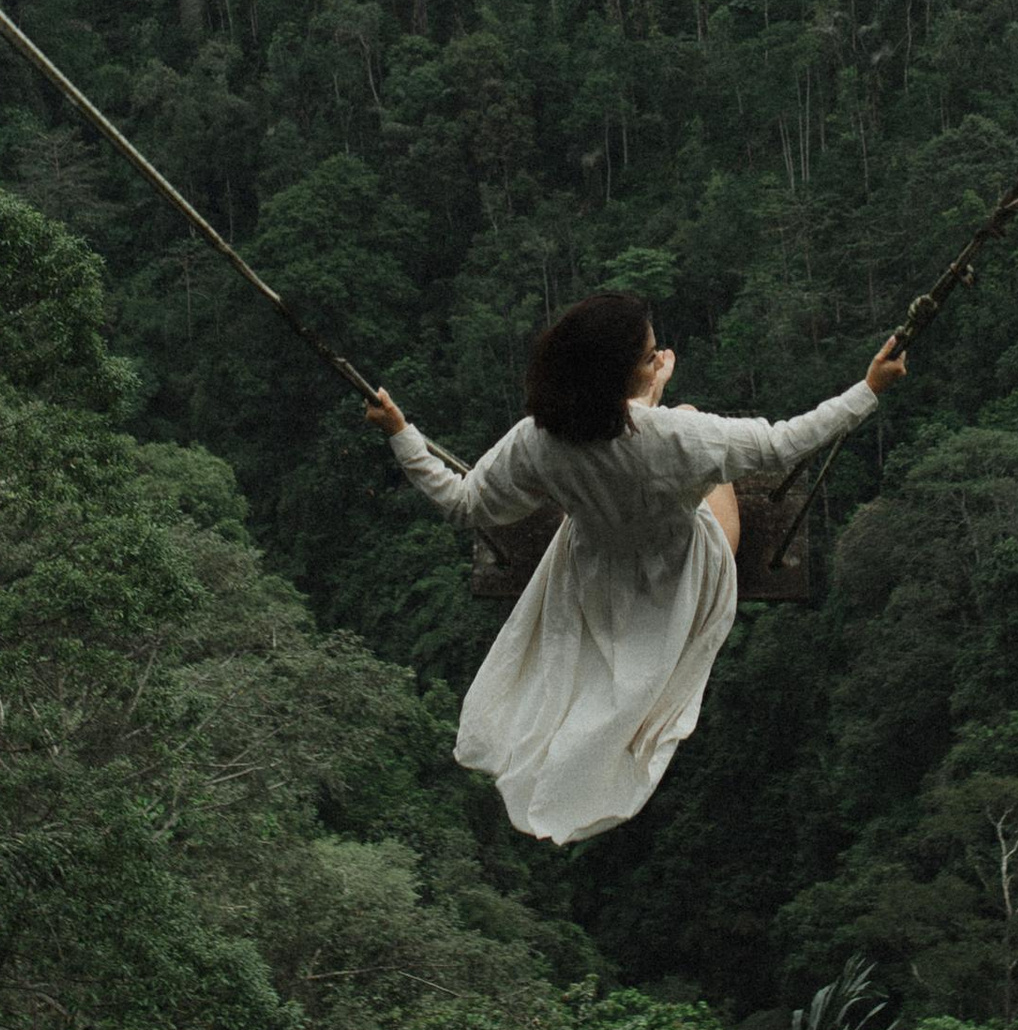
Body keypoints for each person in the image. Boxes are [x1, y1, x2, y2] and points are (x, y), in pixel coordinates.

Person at [364, 294, 905, 846]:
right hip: (683, 576)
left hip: (595, 572)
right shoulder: (677, 436)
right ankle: (651, 409)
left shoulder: (537, 441)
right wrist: (870, 389)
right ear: (619, 377)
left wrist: (401, 433)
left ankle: (638, 411)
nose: (658, 357)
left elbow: (463, 503)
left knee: (649, 445)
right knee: (691, 420)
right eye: (649, 358)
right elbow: (781, 444)